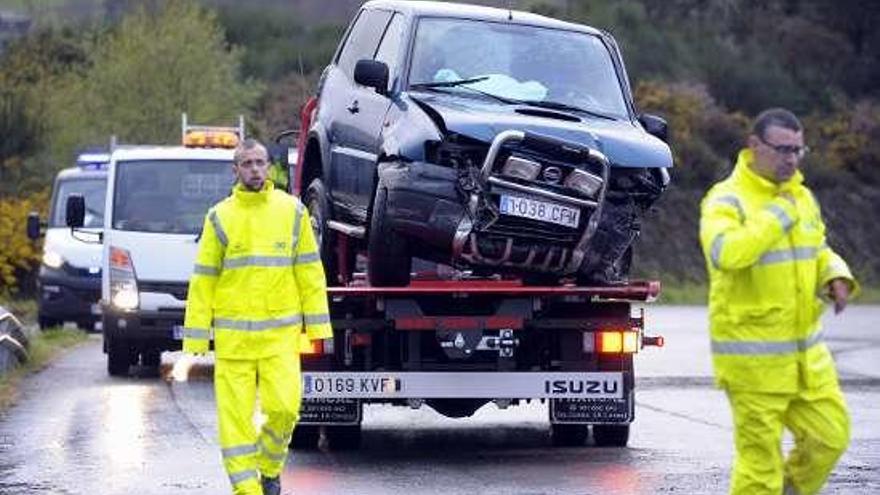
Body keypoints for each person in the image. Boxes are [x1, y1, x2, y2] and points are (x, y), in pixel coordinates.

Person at [699, 108, 859, 495]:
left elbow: (816, 248)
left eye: (798, 151)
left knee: (831, 438)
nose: (791, 159)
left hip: (808, 362)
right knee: (759, 467)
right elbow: (727, 254)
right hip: (753, 364)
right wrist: (776, 214)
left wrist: (835, 274)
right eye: (783, 150)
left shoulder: (801, 198)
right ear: (754, 146)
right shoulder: (726, 200)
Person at [182, 138, 332, 495]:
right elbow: (203, 281)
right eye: (246, 163)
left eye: (260, 162)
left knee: (284, 409)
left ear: (270, 168)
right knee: (235, 427)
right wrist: (196, 337)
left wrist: (320, 327)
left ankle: (268, 468)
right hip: (234, 346)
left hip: (280, 340)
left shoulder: (292, 212)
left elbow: (310, 274)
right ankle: (248, 489)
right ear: (235, 170)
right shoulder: (220, 216)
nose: (254, 169)